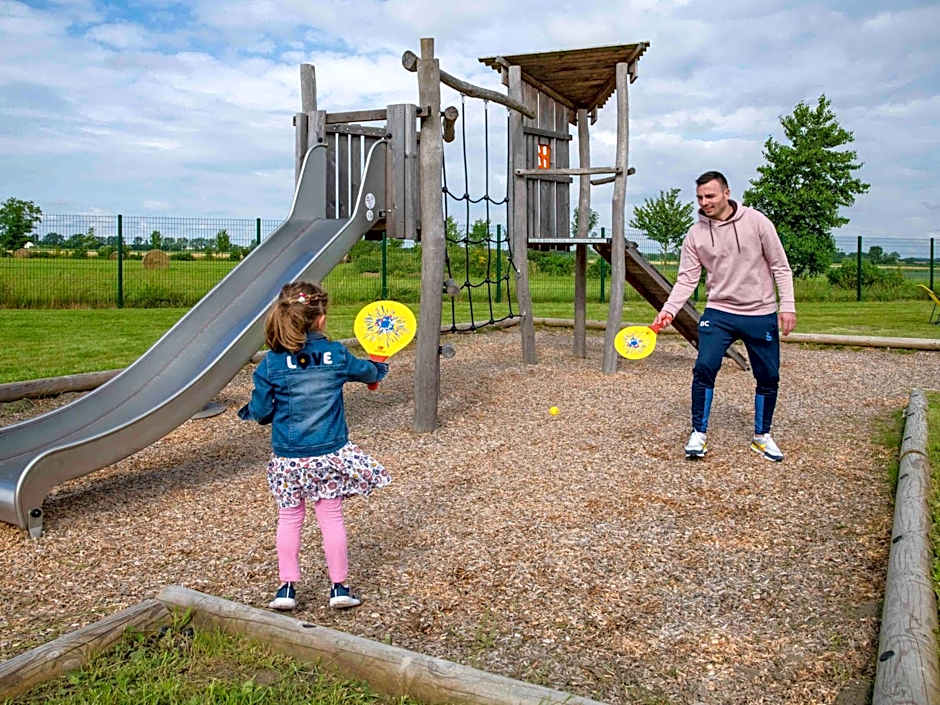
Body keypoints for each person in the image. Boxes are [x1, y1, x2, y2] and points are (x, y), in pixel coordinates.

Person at [238, 281, 391, 610]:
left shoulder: (271, 364)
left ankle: (286, 589)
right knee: (331, 516)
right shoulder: (336, 355)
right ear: (320, 318)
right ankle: (339, 588)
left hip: (289, 458)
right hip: (328, 453)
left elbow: (262, 411)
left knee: (290, 518)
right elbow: (367, 373)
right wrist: (380, 369)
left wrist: (251, 411)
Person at [652, 171, 796, 462]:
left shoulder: (757, 222)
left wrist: (788, 305)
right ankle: (698, 434)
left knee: (768, 375)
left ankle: (762, 436)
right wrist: (669, 310)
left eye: (710, 196)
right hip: (719, 312)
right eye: (700, 197)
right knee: (704, 367)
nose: (704, 202)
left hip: (760, 312)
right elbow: (687, 279)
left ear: (727, 193)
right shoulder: (696, 234)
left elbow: (780, 266)